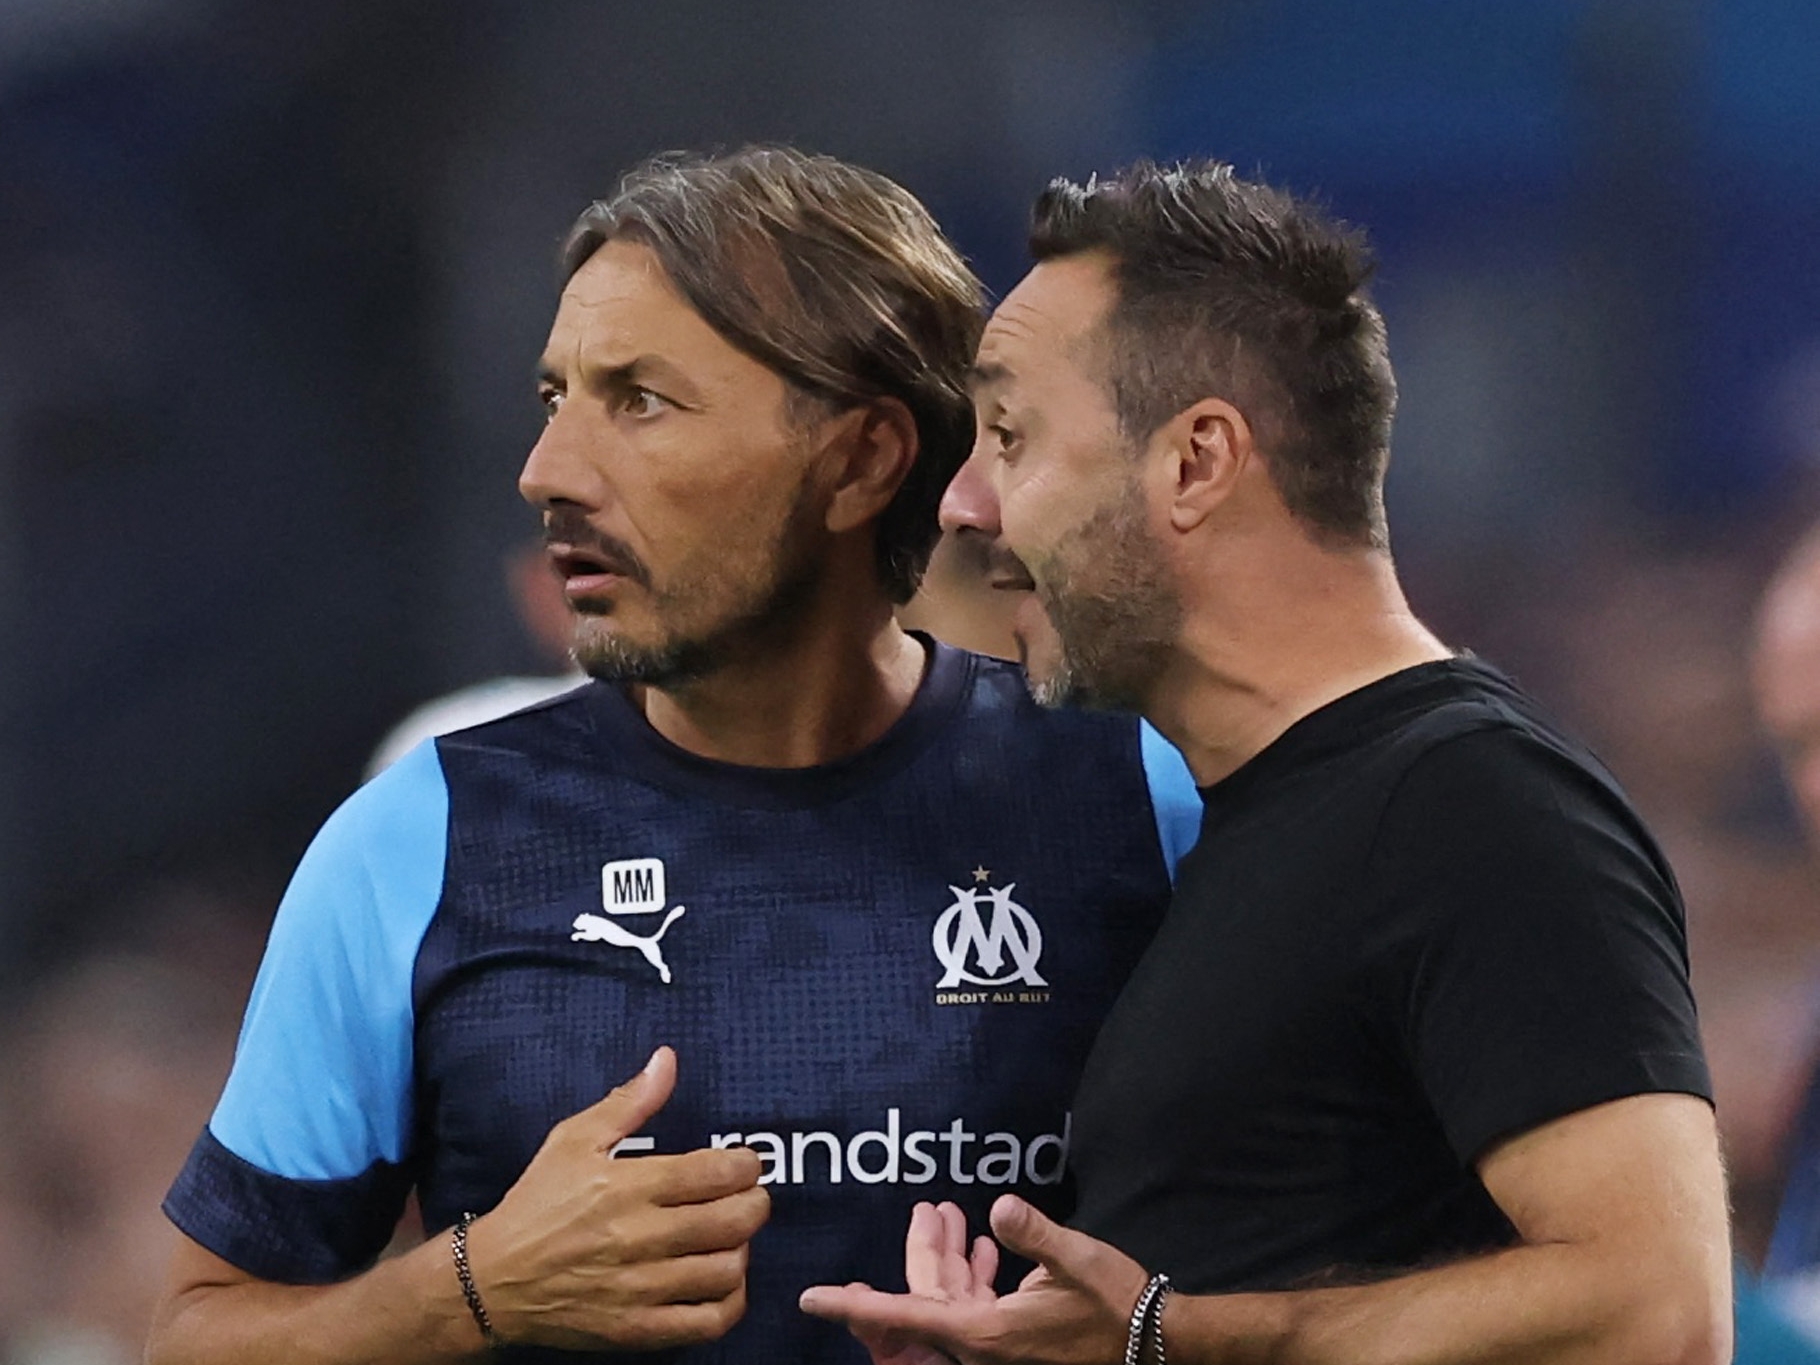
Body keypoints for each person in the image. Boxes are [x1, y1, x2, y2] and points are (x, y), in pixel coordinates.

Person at [146, 147, 1201, 1365]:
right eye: (556, 400)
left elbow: (1337, 1280)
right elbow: (192, 1335)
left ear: (861, 460)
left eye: (639, 400)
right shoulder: (424, 835)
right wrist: (470, 1288)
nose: (549, 474)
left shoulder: (1140, 800)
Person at [802, 160, 1731, 1364]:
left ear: (1195, 463)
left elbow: (1657, 1314)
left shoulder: (1471, 805)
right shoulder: (1250, 822)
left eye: (1012, 438)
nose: (965, 505)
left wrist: (1164, 1334)